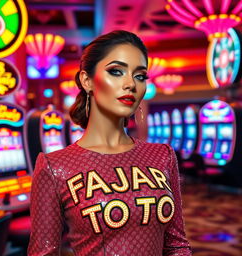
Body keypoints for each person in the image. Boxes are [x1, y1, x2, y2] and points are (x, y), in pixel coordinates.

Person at [28, 30, 191, 256]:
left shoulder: (162, 155)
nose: (130, 84)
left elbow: (177, 245)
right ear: (87, 81)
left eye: (140, 76)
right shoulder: (54, 166)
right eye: (116, 71)